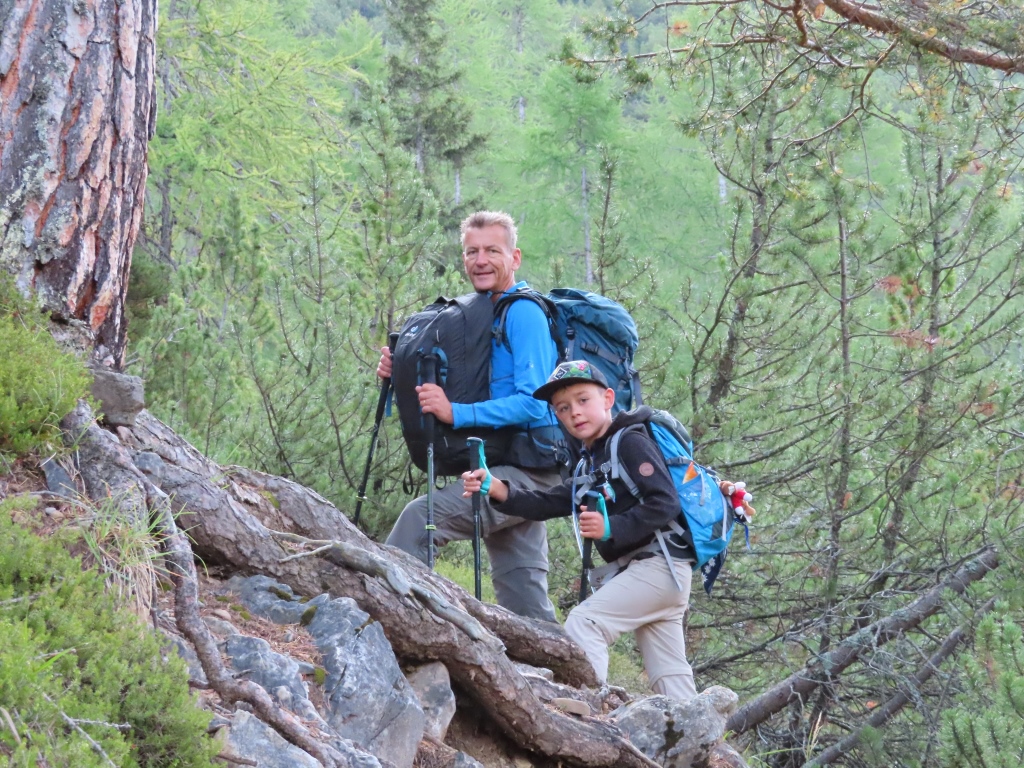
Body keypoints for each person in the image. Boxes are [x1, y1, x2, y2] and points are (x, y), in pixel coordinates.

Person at [462, 360, 699, 702]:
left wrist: (611, 527)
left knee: (585, 623)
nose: (574, 412)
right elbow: (549, 502)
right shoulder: (590, 461)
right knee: (669, 674)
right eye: (562, 407)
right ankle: (694, 731)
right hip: (658, 573)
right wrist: (498, 489)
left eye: (583, 400)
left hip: (660, 565)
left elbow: (665, 502)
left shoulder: (629, 442)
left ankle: (590, 711)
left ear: (608, 398)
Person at [378, 211, 562, 623]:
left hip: (533, 471)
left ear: (514, 257)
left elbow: (535, 403)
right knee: (525, 601)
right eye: (471, 252)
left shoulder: (523, 313)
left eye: (492, 251)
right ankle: (562, 662)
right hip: (505, 463)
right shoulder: (483, 312)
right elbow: (461, 380)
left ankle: (393, 622)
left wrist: (455, 413)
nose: (480, 261)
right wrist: (399, 372)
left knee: (420, 520)